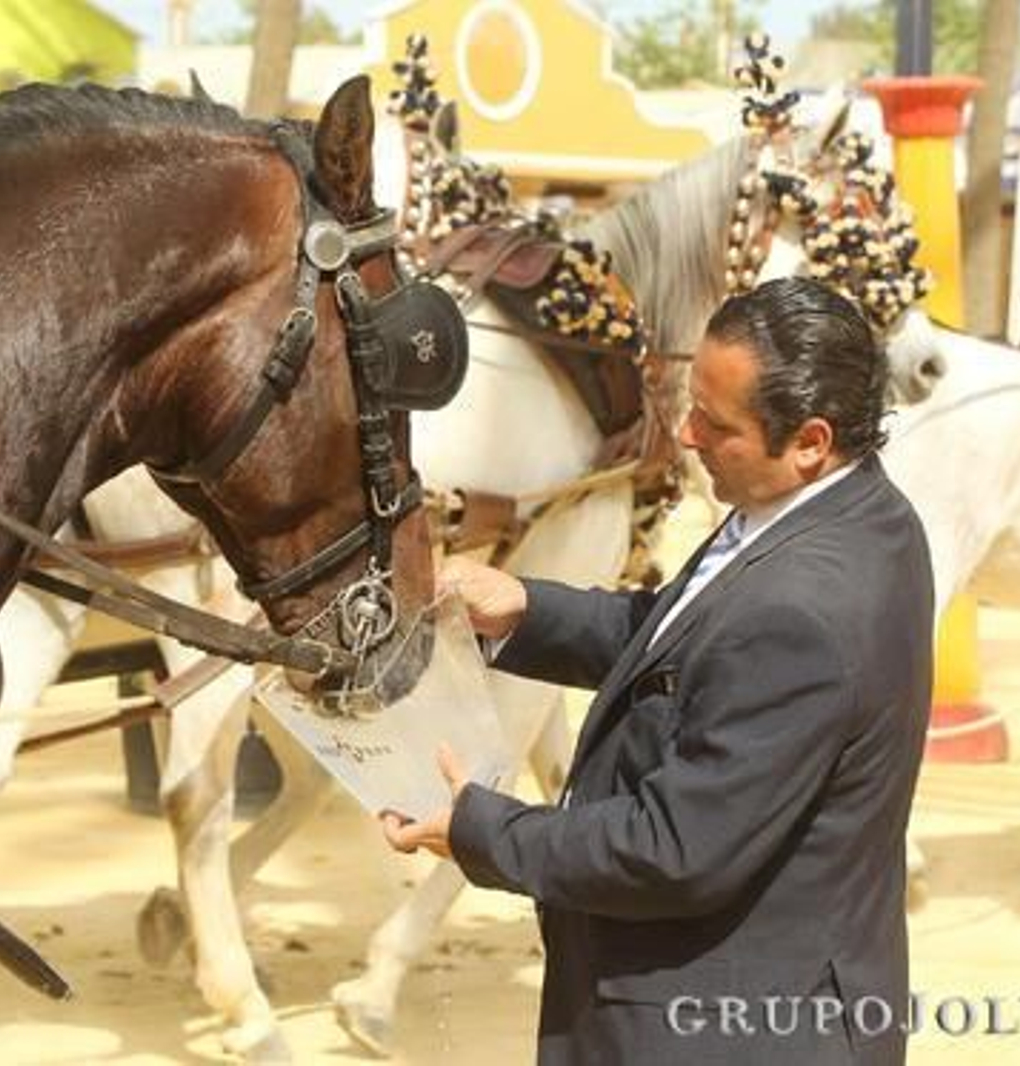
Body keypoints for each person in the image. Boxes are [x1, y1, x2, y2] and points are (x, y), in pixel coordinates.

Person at [383, 276, 934, 1065]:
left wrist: (480, 829)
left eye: (715, 423)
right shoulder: (841, 511)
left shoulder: (803, 610)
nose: (684, 434)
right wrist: (526, 610)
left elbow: (674, 849)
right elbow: (689, 639)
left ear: (810, 441)